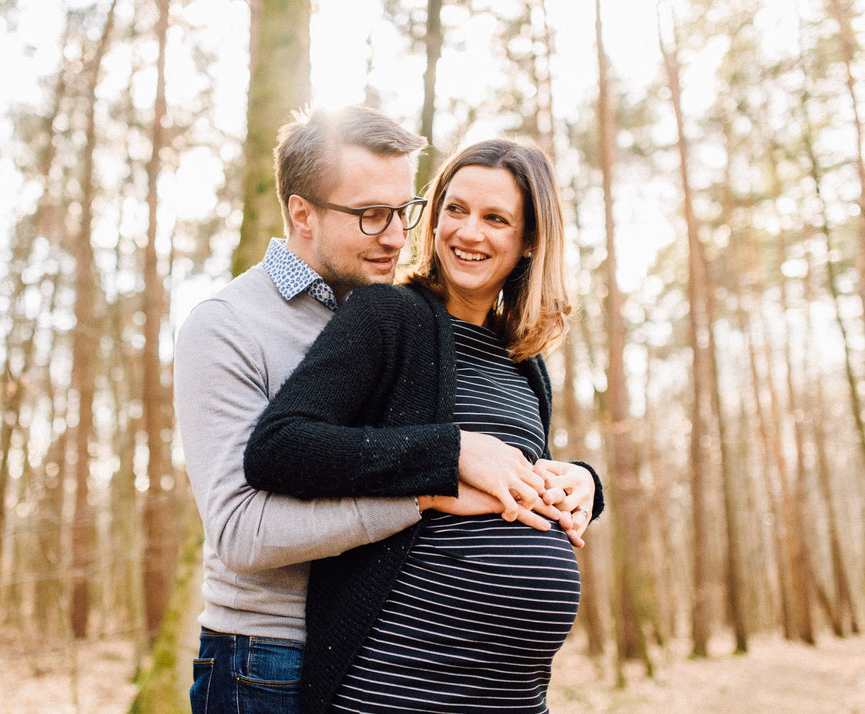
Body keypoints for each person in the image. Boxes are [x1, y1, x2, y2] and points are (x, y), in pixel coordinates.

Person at [174, 107, 599, 713]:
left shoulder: (424, 320)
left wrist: (582, 484)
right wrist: (436, 476)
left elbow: (505, 465)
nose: (399, 236)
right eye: (372, 215)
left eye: (406, 211)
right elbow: (242, 531)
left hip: (471, 677)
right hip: (265, 651)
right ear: (302, 213)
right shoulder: (232, 327)